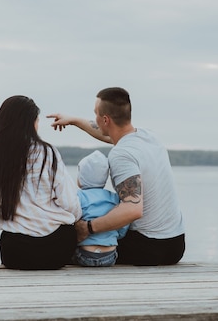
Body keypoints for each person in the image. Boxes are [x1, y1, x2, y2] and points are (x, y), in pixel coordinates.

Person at [48, 87, 185, 266]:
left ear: (105, 119)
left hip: (148, 247)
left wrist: (88, 228)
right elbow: (108, 133)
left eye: (96, 114)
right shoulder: (149, 136)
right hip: (176, 245)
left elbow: (133, 209)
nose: (95, 119)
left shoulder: (121, 154)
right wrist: (73, 120)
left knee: (68, 239)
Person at [0, 95, 82, 270]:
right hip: (56, 250)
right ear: (31, 123)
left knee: (9, 238)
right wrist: (78, 219)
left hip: (15, 253)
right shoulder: (47, 153)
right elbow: (69, 204)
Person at [73, 150, 128, 267]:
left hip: (84, 255)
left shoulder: (78, 197)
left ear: (82, 177)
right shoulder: (115, 198)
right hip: (109, 256)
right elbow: (123, 226)